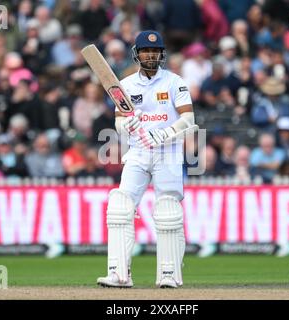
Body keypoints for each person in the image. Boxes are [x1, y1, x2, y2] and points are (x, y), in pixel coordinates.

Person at [97, 30, 196, 289]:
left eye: (155, 51)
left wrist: (164, 133)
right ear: (137, 54)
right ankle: (119, 273)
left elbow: (189, 119)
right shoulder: (126, 85)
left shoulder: (175, 82)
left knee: (168, 210)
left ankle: (169, 274)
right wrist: (127, 125)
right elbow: (118, 122)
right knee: (120, 206)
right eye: (145, 51)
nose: (150, 54)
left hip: (169, 152)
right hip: (139, 152)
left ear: (161, 54)